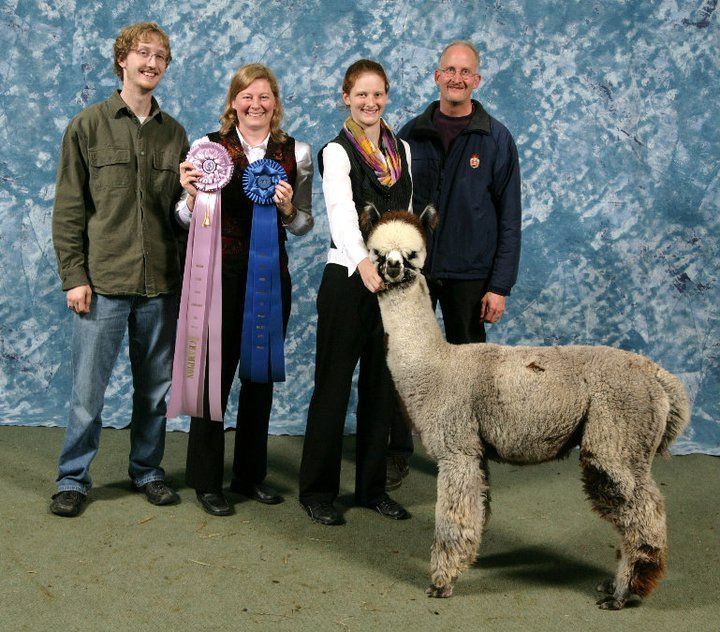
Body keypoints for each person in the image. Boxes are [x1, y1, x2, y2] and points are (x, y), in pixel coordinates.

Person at [50, 22, 189, 517]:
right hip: (103, 283)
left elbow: (179, 214)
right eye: (143, 53)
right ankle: (73, 478)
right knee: (88, 394)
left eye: (160, 56)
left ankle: (147, 470)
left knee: (154, 392)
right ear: (122, 60)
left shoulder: (176, 134)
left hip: (160, 286)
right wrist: (74, 277)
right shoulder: (87, 126)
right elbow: (69, 209)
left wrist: (193, 201)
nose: (151, 63)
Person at [176, 64, 313, 517]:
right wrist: (191, 196)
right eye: (247, 96)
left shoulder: (296, 152)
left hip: (270, 278)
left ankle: (250, 475)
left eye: (264, 96)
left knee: (259, 375)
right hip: (217, 276)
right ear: (233, 102)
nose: (256, 104)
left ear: (276, 103)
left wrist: (289, 209)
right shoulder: (208, 148)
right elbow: (182, 217)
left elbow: (303, 224)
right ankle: (206, 480)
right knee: (213, 375)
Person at [394, 41, 522, 475]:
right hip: (416, 272)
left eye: (465, 72)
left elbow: (510, 218)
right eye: (449, 70)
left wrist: (499, 286)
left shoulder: (496, 138)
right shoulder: (410, 134)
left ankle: (470, 455)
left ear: (477, 80)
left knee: (470, 372)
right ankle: (397, 452)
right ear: (437, 76)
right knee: (407, 364)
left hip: (471, 273)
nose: (457, 78)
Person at [298, 59, 412, 526]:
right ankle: (317, 491)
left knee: (380, 389)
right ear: (346, 97)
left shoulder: (403, 149)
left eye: (377, 94)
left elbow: (404, 213)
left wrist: (401, 267)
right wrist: (365, 263)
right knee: (333, 386)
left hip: (391, 281)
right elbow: (341, 213)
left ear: (386, 96)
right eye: (361, 94)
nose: (370, 102)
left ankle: (371, 489)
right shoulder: (336, 151)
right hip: (348, 278)